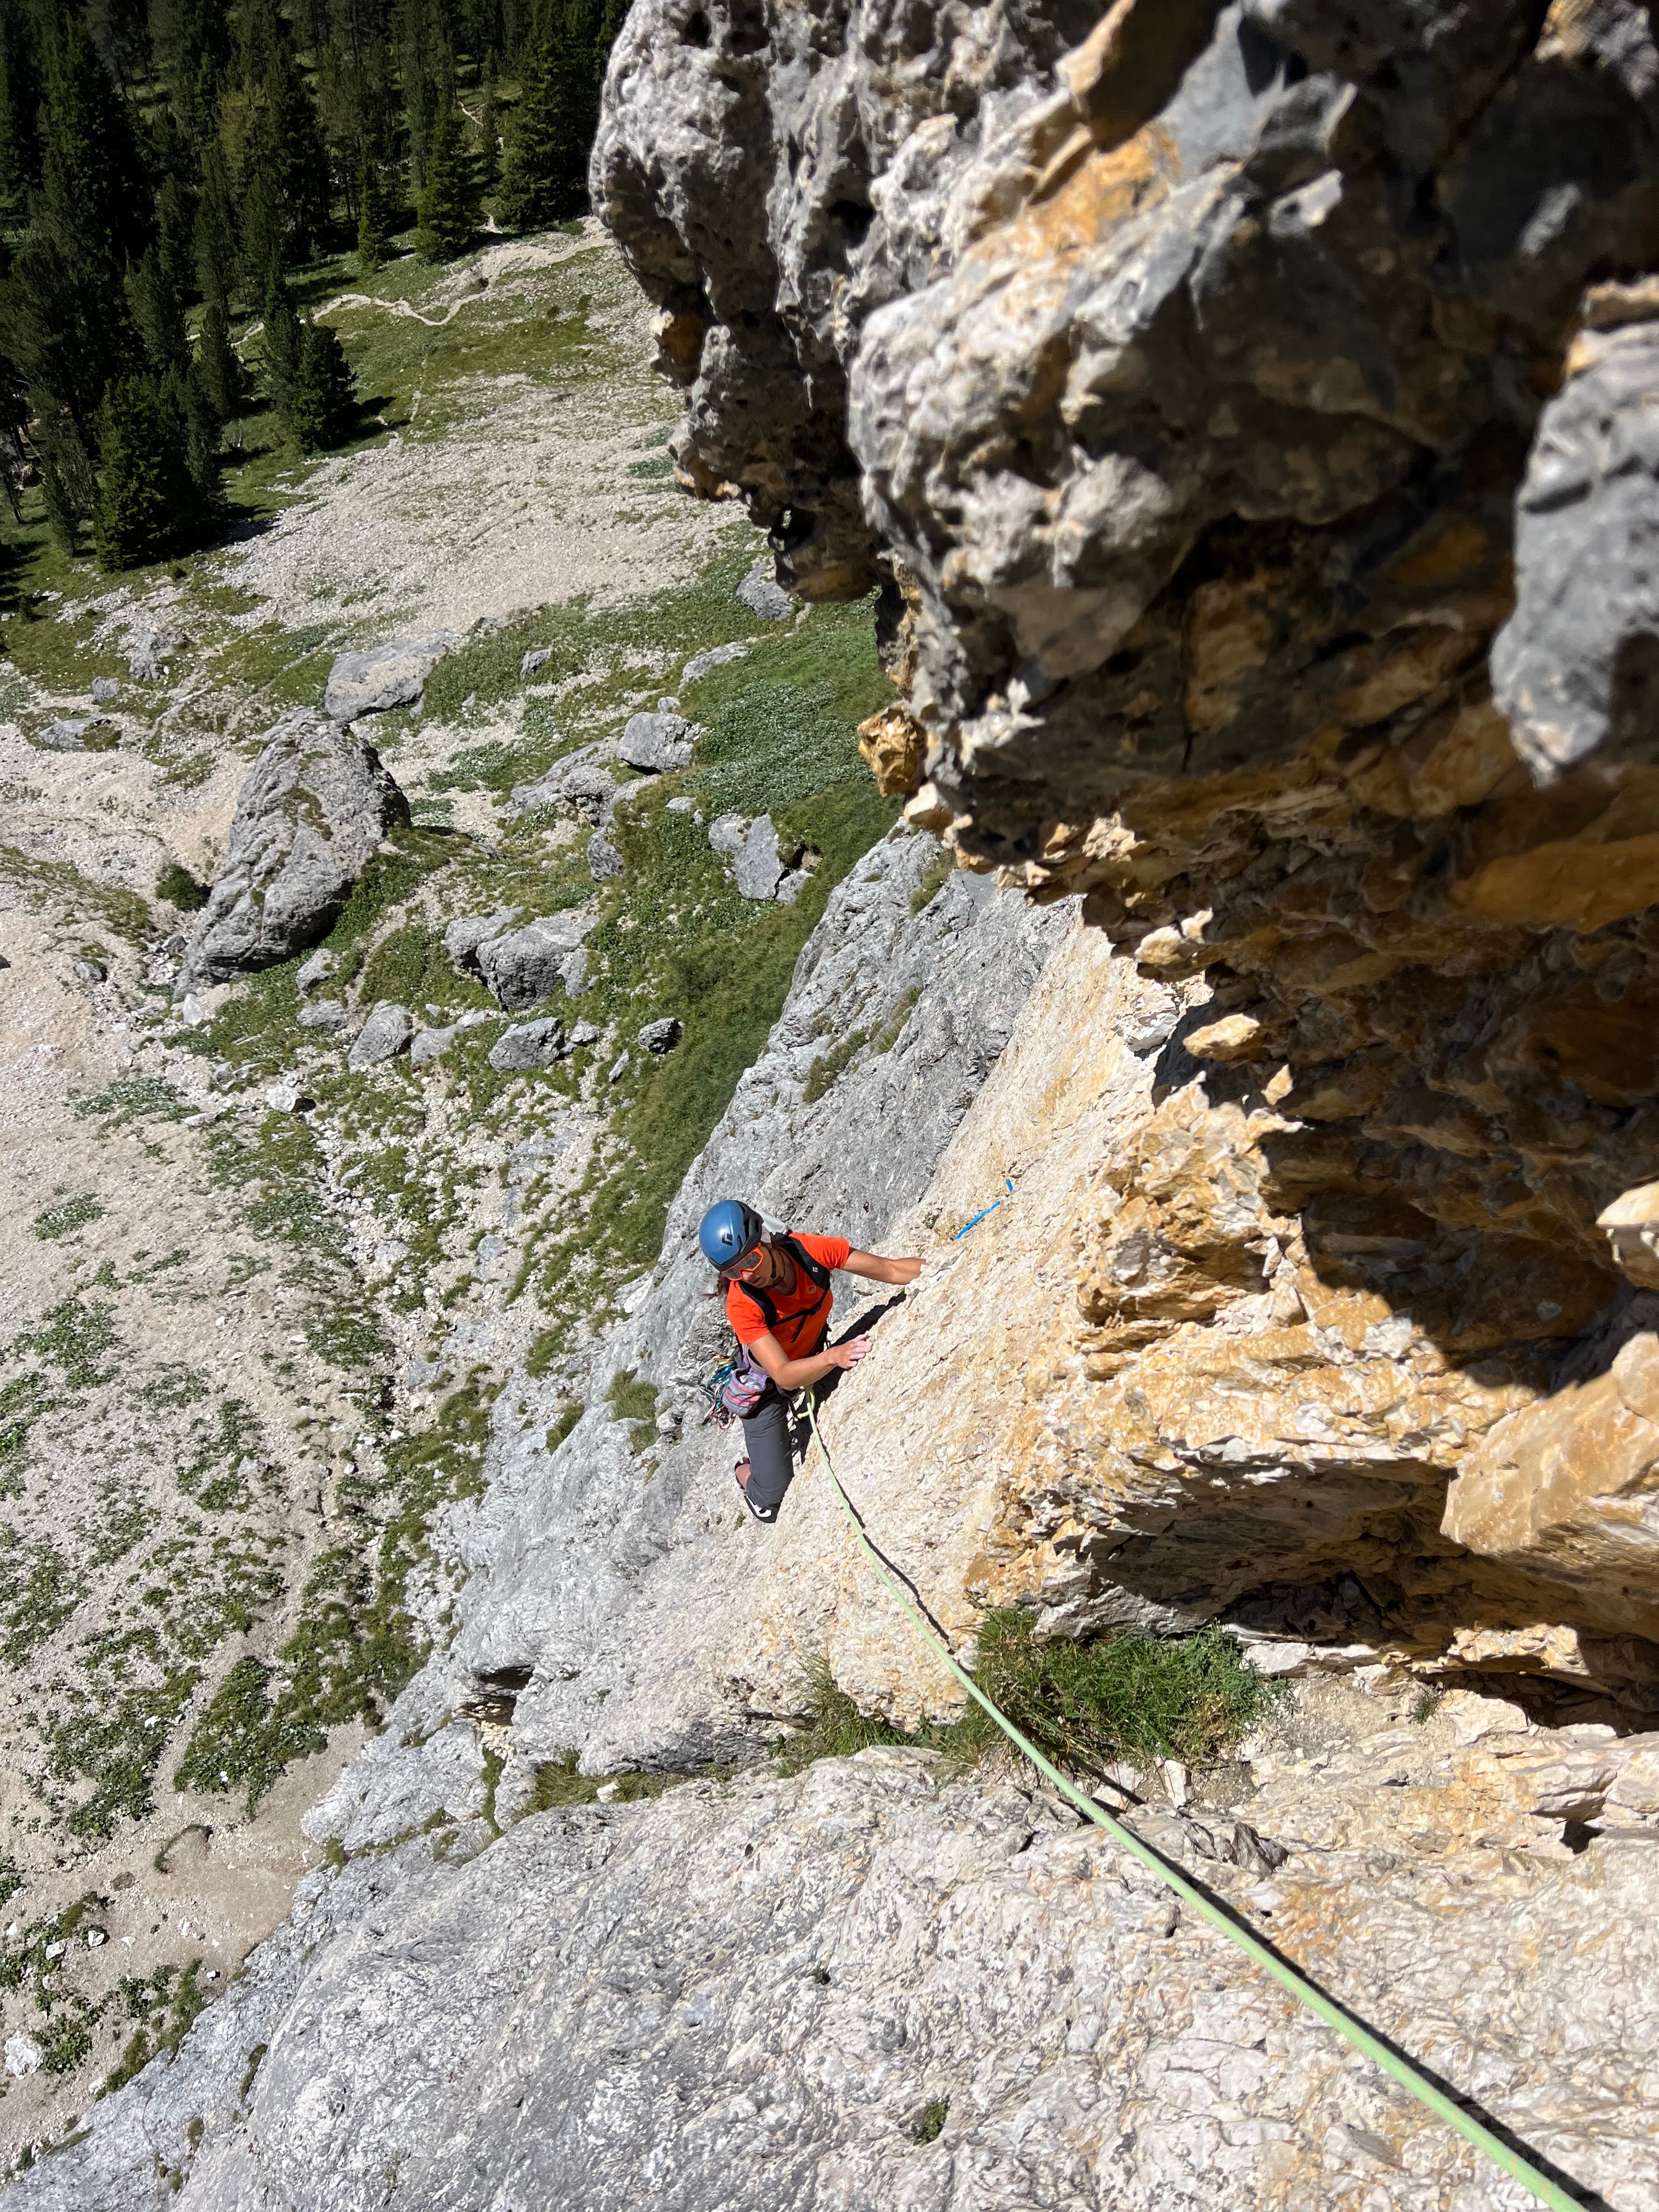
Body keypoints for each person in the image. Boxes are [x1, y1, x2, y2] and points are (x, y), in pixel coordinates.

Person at [698, 1198, 921, 1522]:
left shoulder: (808, 1252)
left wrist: (941, 1263)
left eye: (752, 1260)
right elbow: (784, 1375)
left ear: (764, 1239)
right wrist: (833, 1357)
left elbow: (890, 1269)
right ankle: (743, 1472)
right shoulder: (742, 1304)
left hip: (809, 1355)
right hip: (767, 1388)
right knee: (772, 1501)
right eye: (734, 1272)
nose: (747, 1275)